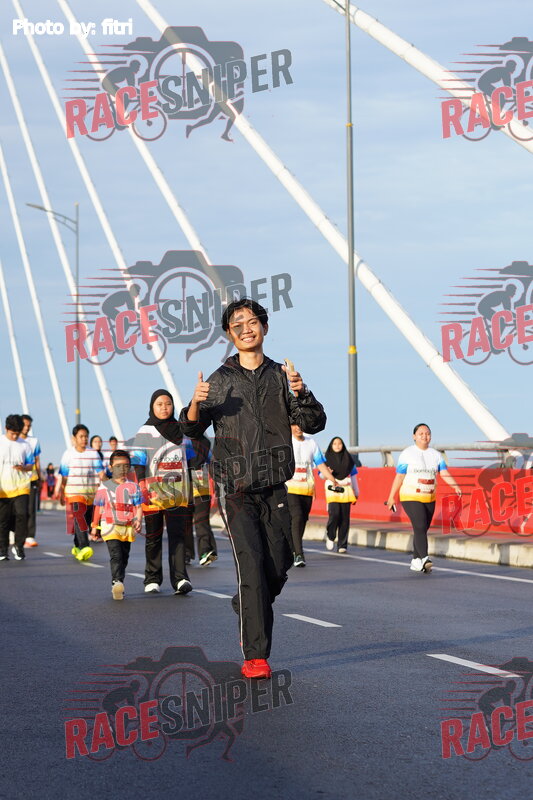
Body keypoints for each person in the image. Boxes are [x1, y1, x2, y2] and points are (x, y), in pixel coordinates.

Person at [180, 297, 326, 679]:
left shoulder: (282, 376)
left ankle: (248, 603)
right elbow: (191, 429)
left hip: (275, 485)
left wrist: (302, 392)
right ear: (230, 335)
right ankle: (256, 656)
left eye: (252, 321)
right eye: (237, 325)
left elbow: (314, 423)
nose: (246, 329)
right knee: (251, 564)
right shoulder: (219, 380)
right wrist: (195, 404)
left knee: (277, 566)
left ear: (264, 327)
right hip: (235, 488)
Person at [131, 390, 194, 595]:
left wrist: (194, 490)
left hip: (178, 493)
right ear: (152, 407)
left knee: (178, 536)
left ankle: (180, 579)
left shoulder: (182, 430)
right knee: (154, 536)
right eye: (159, 404)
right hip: (153, 493)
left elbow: (191, 461)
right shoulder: (145, 431)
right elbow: (139, 462)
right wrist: (142, 486)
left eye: (168, 404)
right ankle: (152, 578)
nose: (164, 408)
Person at [386, 423, 462, 573]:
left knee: (422, 529)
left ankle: (416, 560)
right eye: (421, 433)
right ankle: (425, 558)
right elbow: (400, 476)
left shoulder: (436, 455)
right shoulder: (407, 453)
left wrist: (455, 486)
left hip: (429, 497)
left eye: (427, 433)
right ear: (414, 436)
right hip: (410, 496)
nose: (425, 436)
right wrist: (391, 497)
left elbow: (444, 472)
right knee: (420, 525)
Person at [91, 450, 142, 600]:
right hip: (110, 526)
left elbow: (138, 507)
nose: (122, 469)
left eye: (126, 466)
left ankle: (119, 582)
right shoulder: (104, 486)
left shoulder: (133, 487)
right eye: (118, 466)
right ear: (111, 467)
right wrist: (94, 526)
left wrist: (138, 520)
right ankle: (116, 582)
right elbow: (98, 507)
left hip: (127, 527)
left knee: (124, 556)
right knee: (116, 555)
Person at [285, 424, 337, 567]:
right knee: (297, 517)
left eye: (301, 425)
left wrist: (332, 479)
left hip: (307, 489)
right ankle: (298, 554)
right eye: (295, 425)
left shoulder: (311, 443)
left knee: (302, 520)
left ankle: (293, 548)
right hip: (290, 487)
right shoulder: (286, 441)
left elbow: (320, 464)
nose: (298, 428)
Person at [59, 424, 105, 561]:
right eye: (81, 436)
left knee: (86, 519)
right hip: (74, 492)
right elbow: (64, 477)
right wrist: (61, 492)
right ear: (74, 438)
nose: (84, 439)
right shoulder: (68, 454)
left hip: (90, 493)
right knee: (80, 517)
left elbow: (101, 473)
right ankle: (85, 546)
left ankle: (77, 544)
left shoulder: (93, 454)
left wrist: (111, 485)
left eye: (86, 436)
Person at [0, 414, 34, 561]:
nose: (14, 436)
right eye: (12, 433)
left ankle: (19, 546)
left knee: (22, 515)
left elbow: (30, 465)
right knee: (3, 520)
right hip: (3, 488)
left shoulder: (25, 445)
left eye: (17, 433)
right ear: (6, 429)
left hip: (21, 486)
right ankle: (2, 550)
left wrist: (23, 468)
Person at [321, 437, 359, 554]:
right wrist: (327, 473)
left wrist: (356, 492)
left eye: (339, 443)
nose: (337, 445)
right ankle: (330, 535)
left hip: (346, 490)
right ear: (331, 446)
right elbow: (320, 475)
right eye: (334, 443)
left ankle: (342, 544)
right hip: (332, 489)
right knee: (334, 514)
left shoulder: (349, 460)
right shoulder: (326, 460)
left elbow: (353, 477)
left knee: (344, 518)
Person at [188, 435, 218, 567]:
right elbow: (211, 461)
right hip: (188, 486)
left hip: (198, 486)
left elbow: (211, 462)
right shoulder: (204, 441)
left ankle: (203, 552)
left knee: (199, 521)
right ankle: (199, 552)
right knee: (197, 521)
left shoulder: (181, 440)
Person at [20, 414, 41, 547]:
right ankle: (15, 532)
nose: (27, 428)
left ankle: (30, 536)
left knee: (31, 509)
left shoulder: (34, 441)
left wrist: (39, 477)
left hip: (31, 479)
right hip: (16, 480)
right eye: (25, 425)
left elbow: (37, 461)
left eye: (29, 425)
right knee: (17, 509)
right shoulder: (14, 441)